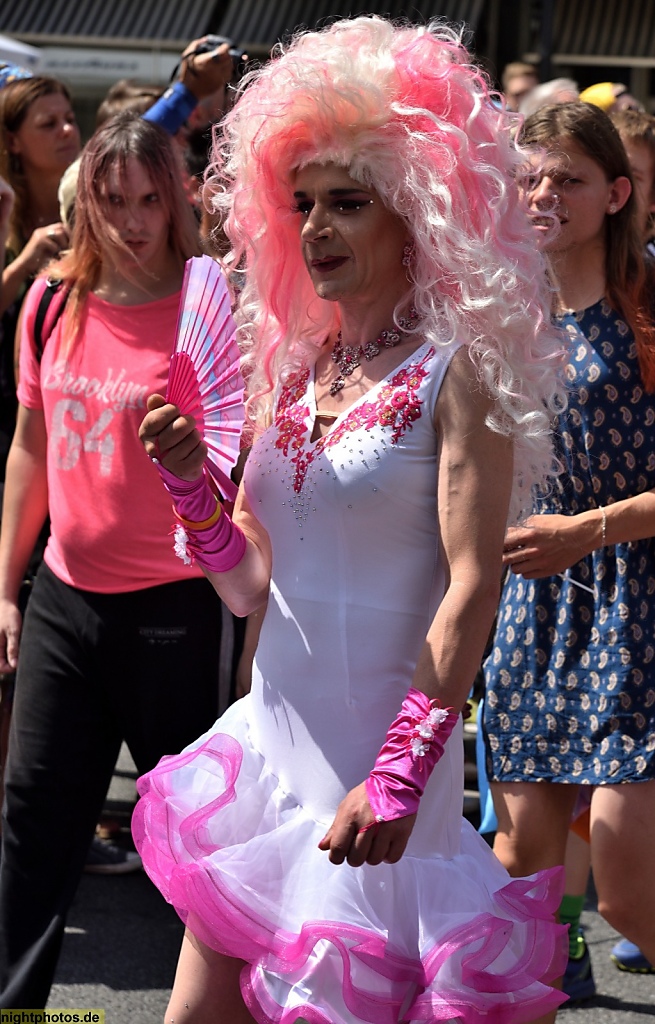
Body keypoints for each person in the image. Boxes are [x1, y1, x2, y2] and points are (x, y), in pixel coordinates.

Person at [134, 17, 568, 1024]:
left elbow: (473, 584)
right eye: (303, 207)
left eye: (348, 204)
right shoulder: (293, 370)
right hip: (262, 785)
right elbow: (248, 583)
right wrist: (192, 482)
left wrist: (400, 773)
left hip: (379, 812)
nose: (317, 228)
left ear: (414, 217)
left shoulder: (458, 370)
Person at [0, 112, 225, 1008]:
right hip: (63, 598)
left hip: (178, 607)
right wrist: (5, 590)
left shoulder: (214, 306)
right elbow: (29, 447)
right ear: (84, 204)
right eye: (112, 200)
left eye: (148, 200)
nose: (132, 221)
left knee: (193, 846)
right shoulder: (53, 298)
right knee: (32, 825)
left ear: (176, 202)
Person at [483, 100, 655, 1022]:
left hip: (637, 603)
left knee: (626, 893)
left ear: (616, 193)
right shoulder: (499, 312)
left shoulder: (648, 305)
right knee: (521, 885)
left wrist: (583, 532)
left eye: (570, 178)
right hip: (533, 608)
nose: (545, 193)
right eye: (532, 176)